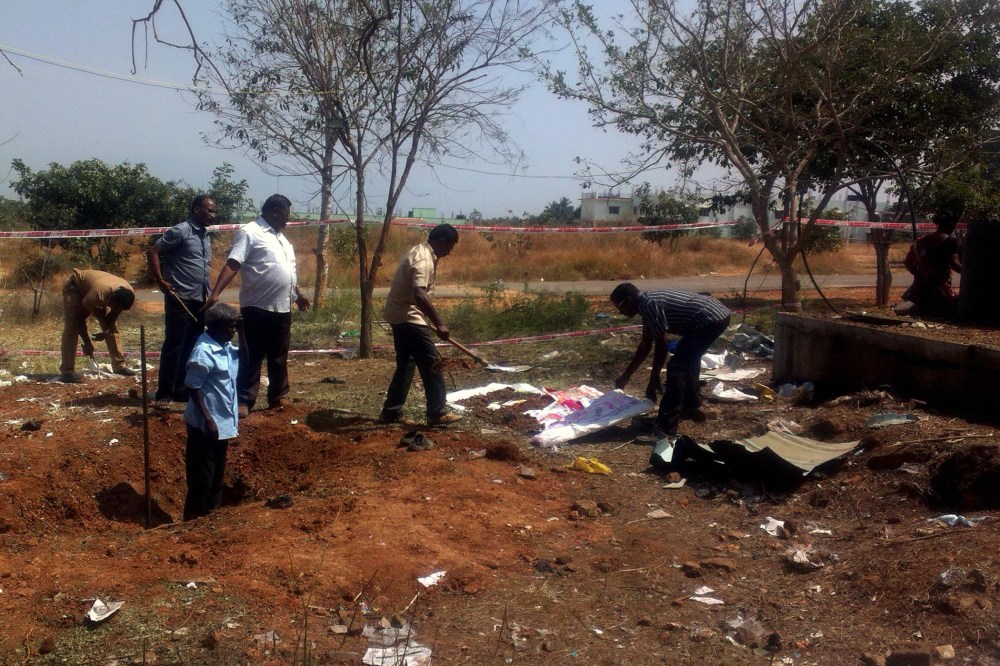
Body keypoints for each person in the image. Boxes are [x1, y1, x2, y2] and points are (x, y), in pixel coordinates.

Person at [203, 194, 310, 417]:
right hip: (257, 306)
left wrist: (298, 295)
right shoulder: (250, 232)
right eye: (285, 216)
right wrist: (215, 293)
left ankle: (277, 397)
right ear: (274, 212)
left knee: (279, 356)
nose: (287, 221)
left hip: (282, 308)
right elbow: (233, 263)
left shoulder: (282, 240)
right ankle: (244, 400)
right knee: (251, 355)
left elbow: (289, 273)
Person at [610, 283, 731, 439]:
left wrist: (653, 380)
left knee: (676, 368)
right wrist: (626, 376)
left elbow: (662, 346)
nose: (620, 312)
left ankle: (665, 430)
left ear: (629, 300)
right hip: (715, 315)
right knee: (688, 359)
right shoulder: (646, 305)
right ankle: (690, 404)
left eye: (620, 307)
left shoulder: (650, 305)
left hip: (710, 318)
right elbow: (645, 345)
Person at [378, 224, 463, 426]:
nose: (450, 252)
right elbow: (420, 293)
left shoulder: (420, 251)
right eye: (450, 246)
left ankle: (390, 413)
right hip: (408, 316)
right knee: (433, 364)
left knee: (406, 366)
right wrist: (439, 323)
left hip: (399, 313)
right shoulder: (424, 258)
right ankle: (437, 413)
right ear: (441, 241)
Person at [146, 195, 217, 410]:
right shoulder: (180, 231)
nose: (213, 215)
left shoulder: (205, 235)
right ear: (196, 209)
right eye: (209, 211)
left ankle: (181, 390)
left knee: (192, 345)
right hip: (180, 298)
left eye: (214, 211)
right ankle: (164, 394)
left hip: (200, 299)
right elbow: (153, 251)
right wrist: (160, 280)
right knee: (174, 346)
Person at [183, 302, 241, 521]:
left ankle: (212, 516)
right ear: (216, 327)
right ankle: (194, 519)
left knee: (217, 473)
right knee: (202, 477)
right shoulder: (204, 351)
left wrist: (241, 331)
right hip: (206, 424)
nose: (234, 331)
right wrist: (208, 419)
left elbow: (247, 355)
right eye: (231, 327)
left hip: (223, 421)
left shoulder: (224, 345)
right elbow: (193, 386)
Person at [59, 269, 137, 382]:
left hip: (94, 289)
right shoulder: (97, 295)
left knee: (113, 328)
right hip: (75, 287)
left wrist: (106, 331)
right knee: (72, 327)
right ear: (111, 299)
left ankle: (120, 366)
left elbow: (113, 315)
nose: (115, 310)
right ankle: (67, 372)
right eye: (114, 306)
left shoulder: (128, 294)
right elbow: (79, 320)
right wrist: (88, 344)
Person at [897, 211, 962, 318]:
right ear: (951, 224)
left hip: (920, 290)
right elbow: (955, 265)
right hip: (940, 290)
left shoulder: (920, 242)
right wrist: (970, 274)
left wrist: (920, 275)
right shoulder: (951, 242)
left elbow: (908, 262)